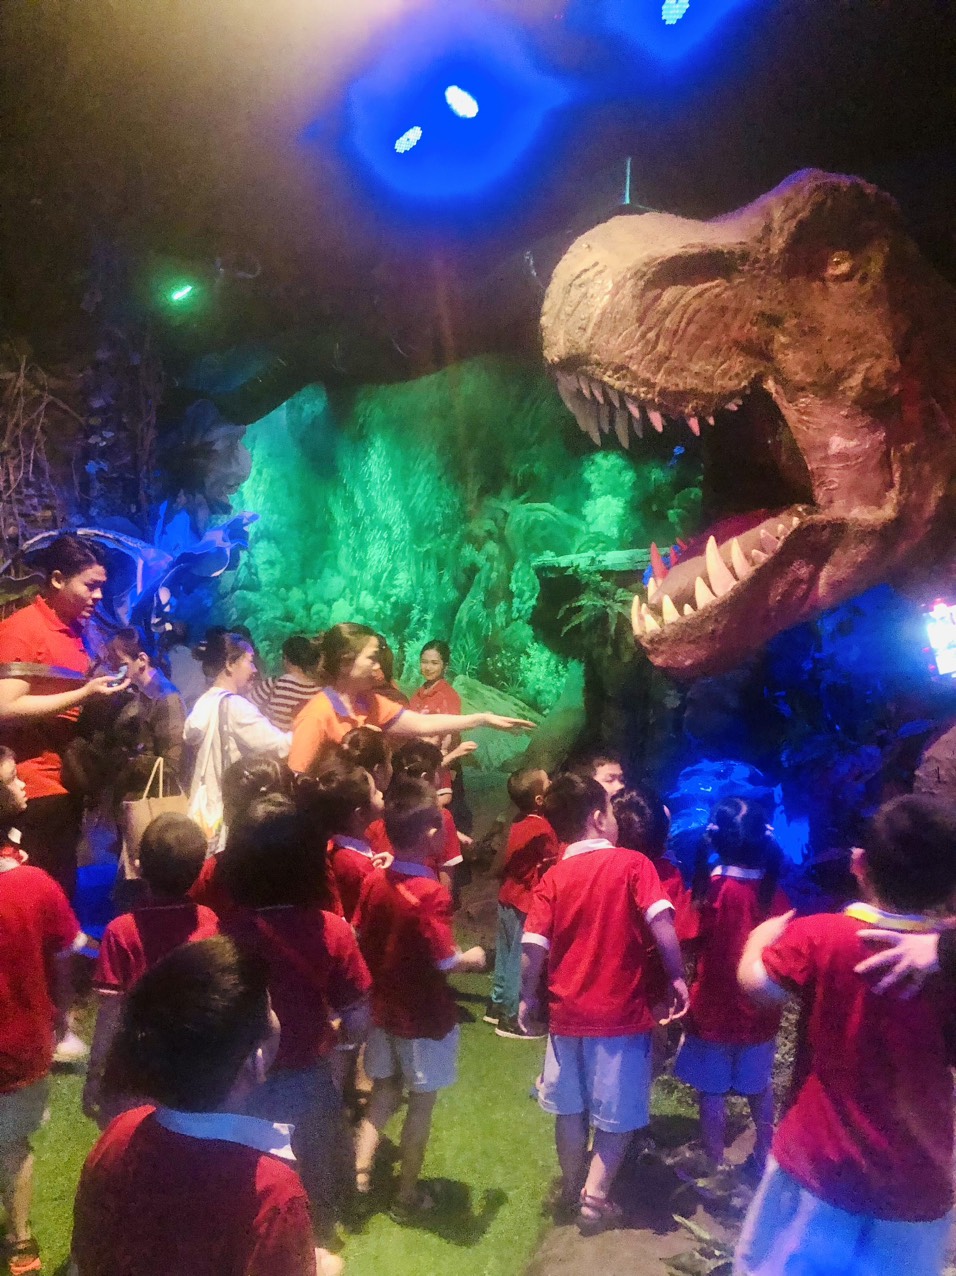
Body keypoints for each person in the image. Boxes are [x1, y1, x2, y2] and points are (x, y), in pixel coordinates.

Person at [734, 795, 956, 1276]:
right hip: (920, 1173)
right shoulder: (945, 959)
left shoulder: (823, 936)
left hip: (821, 1159)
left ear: (859, 864)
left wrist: (759, 938)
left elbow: (757, 986)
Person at [70, 935, 328, 1276]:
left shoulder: (121, 1132)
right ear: (255, 1060)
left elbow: (89, 1252)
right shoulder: (271, 1194)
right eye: (268, 1009)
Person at [519, 772, 688, 1233]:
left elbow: (532, 946)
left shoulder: (553, 877)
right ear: (598, 817)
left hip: (566, 1017)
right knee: (618, 1116)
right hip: (621, 1017)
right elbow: (661, 925)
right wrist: (676, 975)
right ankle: (594, 1198)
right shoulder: (634, 865)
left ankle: (572, 1186)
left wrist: (527, 996)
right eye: (612, 811)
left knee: (569, 1110)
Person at [218, 797, 371, 1247]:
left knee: (246, 1190)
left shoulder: (222, 934)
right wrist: (343, 1044)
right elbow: (359, 1016)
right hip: (308, 1081)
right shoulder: (332, 931)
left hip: (238, 1085)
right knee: (312, 1192)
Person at [353, 777, 486, 1221]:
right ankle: (406, 1197)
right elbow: (445, 961)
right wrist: (473, 958)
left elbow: (359, 933)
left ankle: (360, 1172)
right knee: (421, 1105)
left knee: (384, 1091)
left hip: (384, 1010)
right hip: (424, 1017)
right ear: (430, 833)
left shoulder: (375, 881)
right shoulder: (431, 894)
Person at [0, 535, 129, 897]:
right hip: (33, 791)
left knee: (62, 895)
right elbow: (4, 707)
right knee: (41, 900)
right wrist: (85, 693)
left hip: (65, 785)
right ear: (57, 579)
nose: (98, 596)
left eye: (101, 587)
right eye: (90, 585)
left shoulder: (76, 632)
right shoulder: (24, 628)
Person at [672, 797, 789, 1178]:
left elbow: (685, 937)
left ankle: (715, 1160)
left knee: (712, 1091)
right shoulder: (775, 896)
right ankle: (767, 1153)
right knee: (759, 1087)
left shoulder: (711, 891)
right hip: (761, 1013)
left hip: (713, 1010)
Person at [0, 745, 82, 1276]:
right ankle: (21, 1244)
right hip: (20, 1043)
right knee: (14, 1144)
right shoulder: (35, 884)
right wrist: (64, 1020)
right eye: (13, 779)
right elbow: (65, 957)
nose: (24, 783)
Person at [83, 813, 219, 1128]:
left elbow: (110, 1013)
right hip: (189, 1064)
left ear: (139, 866)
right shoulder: (210, 922)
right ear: (199, 871)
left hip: (135, 1066)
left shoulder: (122, 931)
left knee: (130, 1144)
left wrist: (95, 1074)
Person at [288, 623, 533, 776]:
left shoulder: (368, 702)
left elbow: (421, 723)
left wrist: (482, 719)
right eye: (371, 659)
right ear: (345, 663)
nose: (378, 667)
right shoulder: (316, 715)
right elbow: (297, 778)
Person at [184, 632, 291, 852]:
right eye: (249, 661)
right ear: (230, 664)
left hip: (206, 808)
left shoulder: (204, 702)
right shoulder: (236, 707)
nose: (254, 670)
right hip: (231, 812)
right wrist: (308, 729)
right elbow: (279, 746)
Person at [487, 766, 557, 1039]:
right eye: (548, 781)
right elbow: (552, 860)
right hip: (525, 900)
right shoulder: (542, 828)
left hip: (507, 894)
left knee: (505, 954)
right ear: (539, 799)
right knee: (519, 958)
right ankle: (511, 1018)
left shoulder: (518, 821)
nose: (553, 782)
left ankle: (497, 1004)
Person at [366, 741, 466, 893]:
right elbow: (446, 869)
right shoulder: (440, 816)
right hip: (427, 894)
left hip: (387, 890)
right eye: (439, 771)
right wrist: (443, 900)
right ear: (426, 777)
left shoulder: (383, 811)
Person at [302, 759, 385, 925]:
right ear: (360, 814)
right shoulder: (353, 864)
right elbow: (363, 918)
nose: (382, 794)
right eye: (375, 792)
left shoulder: (347, 845)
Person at [103, 626, 187, 786]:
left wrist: (129, 762)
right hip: (128, 791)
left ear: (142, 660)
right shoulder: (135, 692)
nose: (113, 670)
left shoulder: (167, 699)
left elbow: (171, 765)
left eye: (120, 664)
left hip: (147, 796)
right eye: (111, 663)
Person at [408, 641, 472, 829]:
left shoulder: (448, 696)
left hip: (442, 761)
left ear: (445, 665)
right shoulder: (418, 694)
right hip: (421, 761)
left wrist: (445, 761)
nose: (428, 667)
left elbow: (451, 733)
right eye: (424, 662)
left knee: (445, 816)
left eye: (434, 663)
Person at [250, 635, 322, 732]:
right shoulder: (319, 690)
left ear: (286, 659)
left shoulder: (275, 684)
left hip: (273, 740)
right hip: (305, 739)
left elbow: (246, 708)